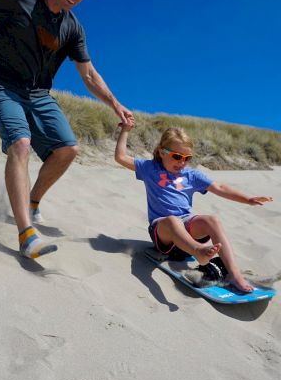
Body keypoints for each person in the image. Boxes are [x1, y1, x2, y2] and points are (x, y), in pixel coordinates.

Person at [0, 0, 134, 259]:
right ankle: (27, 234)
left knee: (68, 150)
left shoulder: (72, 28)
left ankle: (32, 202)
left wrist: (115, 104)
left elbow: (89, 75)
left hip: (39, 94)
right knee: (20, 143)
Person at [115, 125, 273, 292]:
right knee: (173, 220)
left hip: (186, 230)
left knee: (212, 220)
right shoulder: (150, 168)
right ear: (162, 152)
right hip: (163, 232)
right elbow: (120, 157)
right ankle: (199, 252)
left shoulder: (191, 175)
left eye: (187, 158)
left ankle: (235, 275)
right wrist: (125, 130)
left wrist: (247, 199)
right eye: (177, 156)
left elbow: (219, 187)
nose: (182, 162)